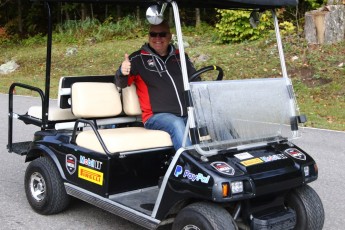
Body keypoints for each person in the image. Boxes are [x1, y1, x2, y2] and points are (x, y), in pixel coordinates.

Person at [114, 20, 196, 151]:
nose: (157, 38)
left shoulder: (180, 57)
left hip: (187, 113)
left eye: (162, 34)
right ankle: (191, 165)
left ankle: (234, 159)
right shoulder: (137, 59)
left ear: (169, 36)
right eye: (153, 34)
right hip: (156, 116)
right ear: (149, 37)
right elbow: (121, 83)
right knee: (176, 123)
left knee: (214, 119)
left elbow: (195, 80)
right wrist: (122, 72)